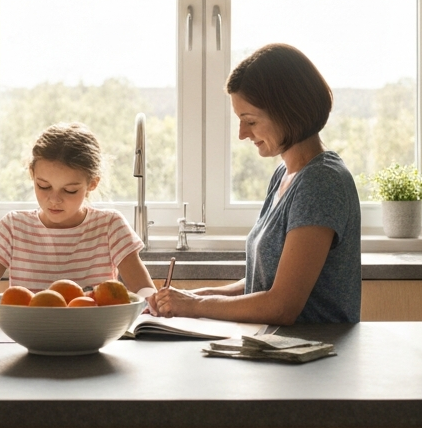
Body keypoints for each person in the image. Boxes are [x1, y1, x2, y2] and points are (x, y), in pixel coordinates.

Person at [147, 43, 361, 325]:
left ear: (289, 111)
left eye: (250, 121)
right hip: (280, 353)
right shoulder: (284, 175)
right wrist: (196, 295)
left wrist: (196, 304)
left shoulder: (321, 183)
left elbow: (281, 306)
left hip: (310, 359)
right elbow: (266, 282)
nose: (242, 134)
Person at [0, 122, 155, 309]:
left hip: (93, 337)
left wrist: (154, 301)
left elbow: (144, 289)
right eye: (44, 186)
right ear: (32, 174)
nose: (54, 200)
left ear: (92, 184)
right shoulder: (14, 226)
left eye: (70, 190)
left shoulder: (109, 225)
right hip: (28, 337)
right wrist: (15, 309)